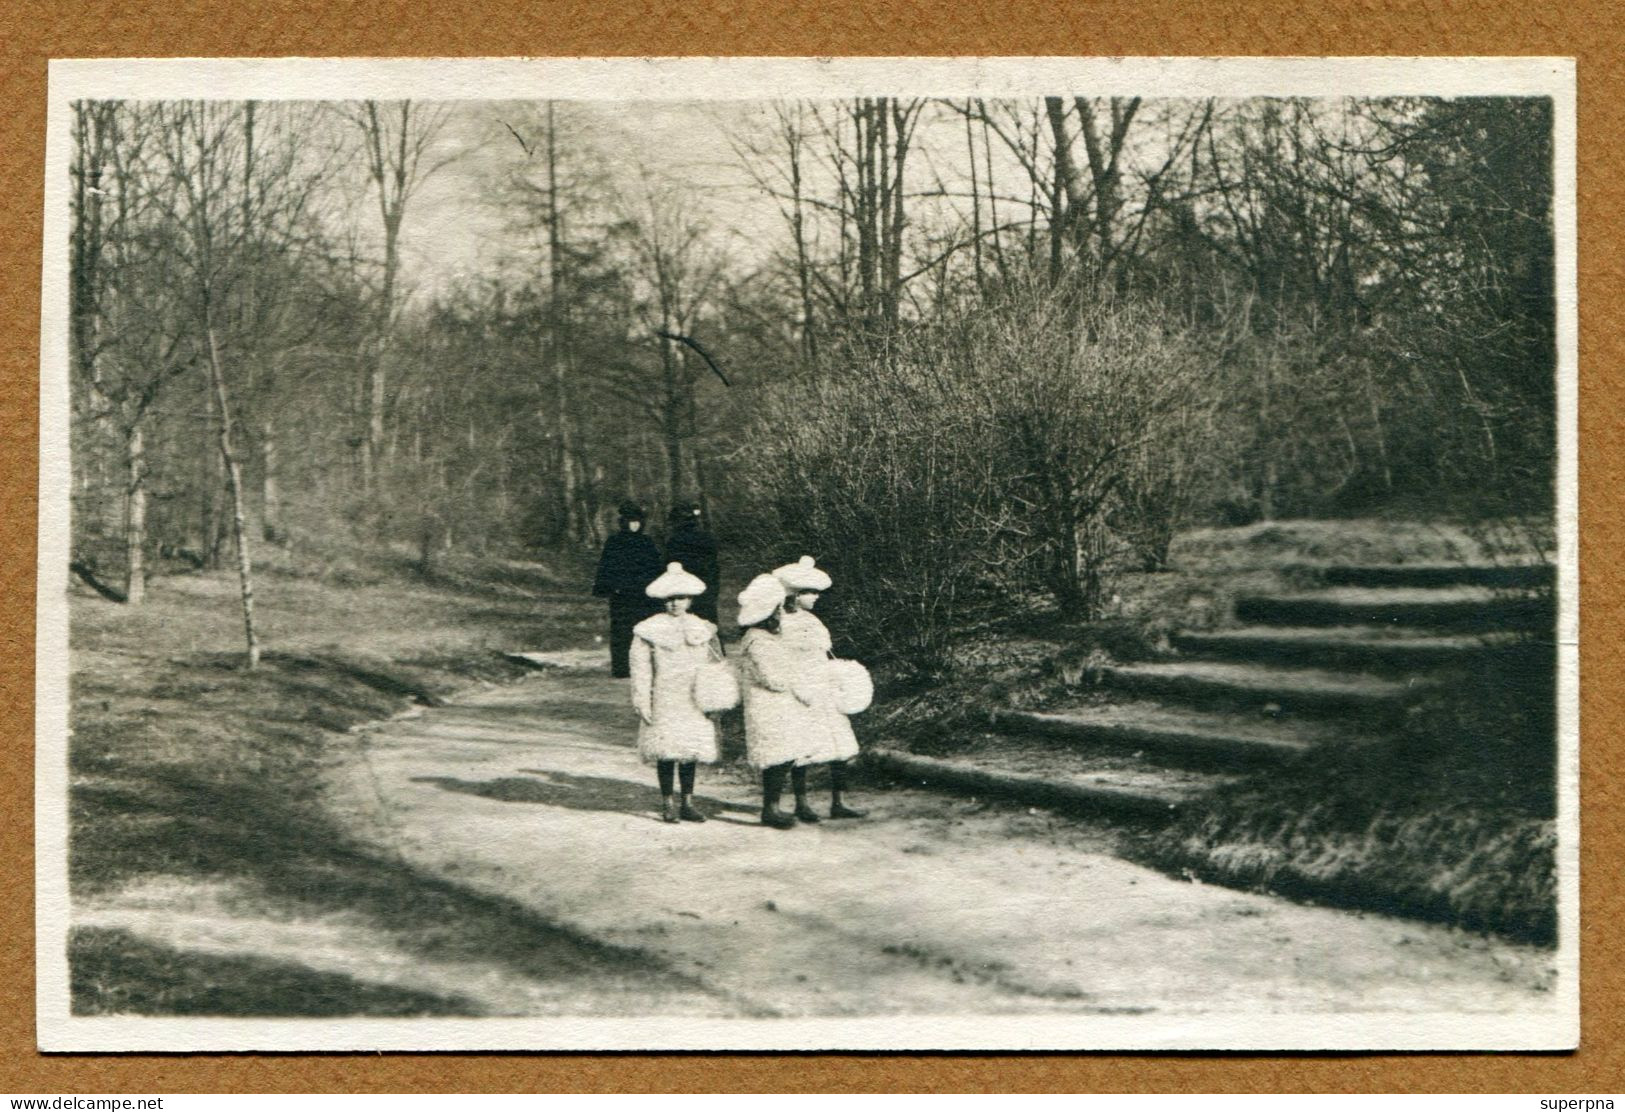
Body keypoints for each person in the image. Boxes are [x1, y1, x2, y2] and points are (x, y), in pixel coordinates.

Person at [774, 555, 865, 820]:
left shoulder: (813, 621)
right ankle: (802, 804)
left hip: (822, 684)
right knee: (801, 748)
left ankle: (839, 801)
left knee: (838, 744)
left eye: (816, 591)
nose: (816, 597)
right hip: (800, 689)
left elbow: (823, 654)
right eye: (809, 592)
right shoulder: (780, 623)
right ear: (794, 594)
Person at [630, 562, 723, 823]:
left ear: (690, 600)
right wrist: (642, 699)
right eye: (670, 599)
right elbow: (640, 669)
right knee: (667, 750)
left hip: (694, 696)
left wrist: (715, 699)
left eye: (680, 598)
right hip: (665, 695)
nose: (675, 604)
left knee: (689, 750)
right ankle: (667, 802)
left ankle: (688, 803)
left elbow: (715, 667)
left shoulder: (703, 628)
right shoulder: (649, 629)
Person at [736, 573, 819, 830]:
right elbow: (773, 678)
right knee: (774, 757)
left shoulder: (770, 638)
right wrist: (795, 675)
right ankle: (769, 808)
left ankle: (775, 806)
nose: (781, 615)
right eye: (777, 611)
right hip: (767, 706)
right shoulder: (757, 640)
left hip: (779, 705)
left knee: (785, 755)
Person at [592, 501, 664, 678]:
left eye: (637, 521)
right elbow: (606, 567)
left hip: (644, 596)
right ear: (623, 522)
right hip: (622, 595)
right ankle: (622, 667)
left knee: (645, 630)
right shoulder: (614, 542)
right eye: (630, 521)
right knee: (622, 632)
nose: (634, 525)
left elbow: (656, 568)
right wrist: (607, 587)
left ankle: (646, 667)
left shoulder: (646, 542)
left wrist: (658, 589)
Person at [663, 501, 721, 624]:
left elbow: (670, 568)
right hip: (705, 591)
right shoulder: (707, 538)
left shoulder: (674, 542)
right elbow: (714, 568)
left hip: (684, 593)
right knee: (707, 625)